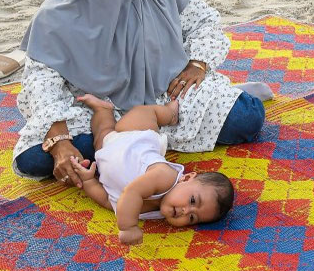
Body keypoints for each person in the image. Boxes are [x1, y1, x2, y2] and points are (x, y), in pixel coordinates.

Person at [13, 0, 265, 190]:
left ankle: (124, 144)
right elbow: (41, 83)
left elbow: (204, 21)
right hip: (99, 111)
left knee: (246, 117)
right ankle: (133, 139)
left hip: (165, 98)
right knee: (34, 159)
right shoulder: (56, 14)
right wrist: (59, 141)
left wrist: (198, 63)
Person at [70, 93, 235, 245]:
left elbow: (109, 201)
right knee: (146, 113)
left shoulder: (150, 214)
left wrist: (89, 181)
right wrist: (128, 227)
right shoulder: (165, 177)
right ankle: (170, 113)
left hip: (106, 150)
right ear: (186, 177)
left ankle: (103, 109)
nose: (185, 211)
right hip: (134, 136)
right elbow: (132, 192)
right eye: (192, 200)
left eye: (192, 217)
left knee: (102, 130)